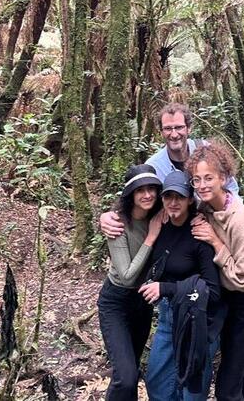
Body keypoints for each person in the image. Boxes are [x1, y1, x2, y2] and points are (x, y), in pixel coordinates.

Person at [100, 102, 244, 401]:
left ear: (189, 128)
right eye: (168, 128)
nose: (174, 133)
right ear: (161, 131)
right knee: (166, 372)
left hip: (225, 266)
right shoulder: (157, 164)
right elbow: (139, 192)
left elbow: (230, 196)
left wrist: (242, 222)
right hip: (195, 266)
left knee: (235, 352)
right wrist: (108, 216)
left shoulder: (208, 156)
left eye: (179, 127)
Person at [187, 141, 244, 401]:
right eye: (196, 179)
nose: (202, 185)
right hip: (228, 299)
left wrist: (215, 241)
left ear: (223, 178)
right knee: (241, 370)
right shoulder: (207, 208)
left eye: (208, 178)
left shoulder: (238, 217)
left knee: (227, 385)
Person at [138, 170, 222, 401]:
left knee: (191, 390)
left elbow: (213, 291)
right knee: (156, 383)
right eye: (168, 197)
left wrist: (164, 288)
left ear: (190, 199)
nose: (173, 203)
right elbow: (131, 206)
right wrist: (108, 217)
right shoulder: (159, 222)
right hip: (168, 316)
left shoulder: (199, 231)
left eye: (180, 197)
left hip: (198, 320)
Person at [97, 164, 163, 401]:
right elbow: (127, 275)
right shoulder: (117, 223)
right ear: (131, 194)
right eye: (140, 190)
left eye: (151, 189)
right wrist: (152, 236)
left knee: (130, 373)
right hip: (116, 302)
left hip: (142, 303)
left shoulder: (160, 216)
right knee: (125, 376)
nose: (147, 195)